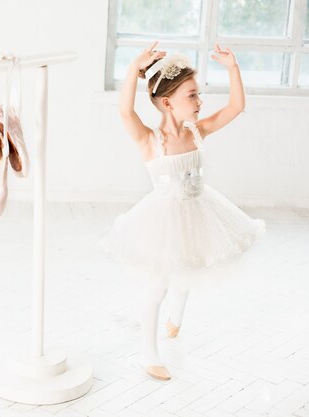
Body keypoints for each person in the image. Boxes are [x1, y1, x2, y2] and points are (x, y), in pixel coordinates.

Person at [98, 41, 265, 381]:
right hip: (163, 220)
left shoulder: (196, 131)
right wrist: (134, 69)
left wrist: (233, 68)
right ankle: (148, 351)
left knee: (190, 264)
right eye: (192, 95)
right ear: (167, 102)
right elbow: (125, 112)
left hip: (198, 209)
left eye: (198, 94)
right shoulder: (150, 140)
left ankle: (176, 319)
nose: (200, 102)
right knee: (159, 285)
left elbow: (235, 106)